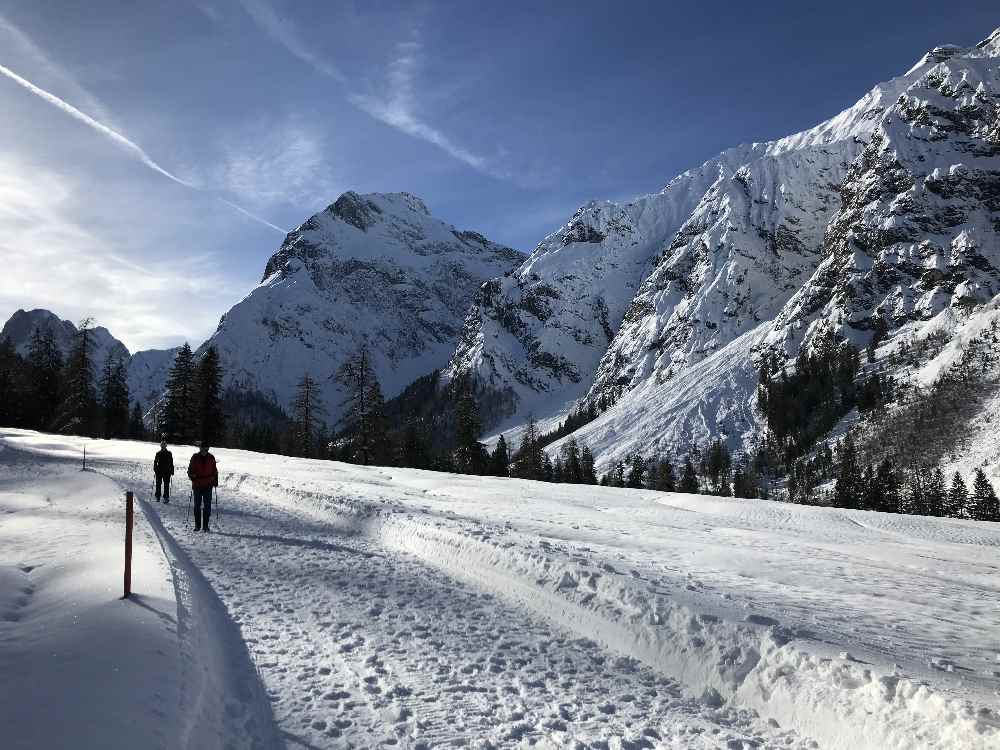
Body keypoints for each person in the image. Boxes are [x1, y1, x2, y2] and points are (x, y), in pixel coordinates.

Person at [187, 441, 218, 532]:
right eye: (202, 448)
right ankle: (197, 525)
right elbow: (189, 470)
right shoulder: (195, 457)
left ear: (208, 449)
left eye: (206, 448)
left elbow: (215, 471)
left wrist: (215, 481)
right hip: (197, 485)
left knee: (207, 506)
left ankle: (205, 526)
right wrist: (191, 476)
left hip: (208, 485)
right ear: (200, 448)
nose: (204, 450)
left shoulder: (211, 457)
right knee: (197, 506)